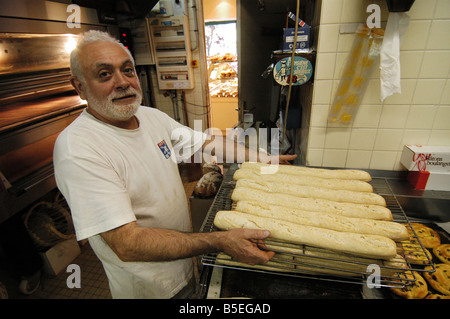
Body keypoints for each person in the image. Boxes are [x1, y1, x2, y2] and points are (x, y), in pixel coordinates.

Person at [53, 30, 297, 299]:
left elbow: (207, 144)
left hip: (181, 261)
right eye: (104, 74)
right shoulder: (79, 149)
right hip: (147, 287)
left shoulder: (150, 117)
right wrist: (218, 240)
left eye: (128, 70)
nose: (122, 82)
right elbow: (127, 244)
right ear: (79, 87)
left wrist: (265, 158)